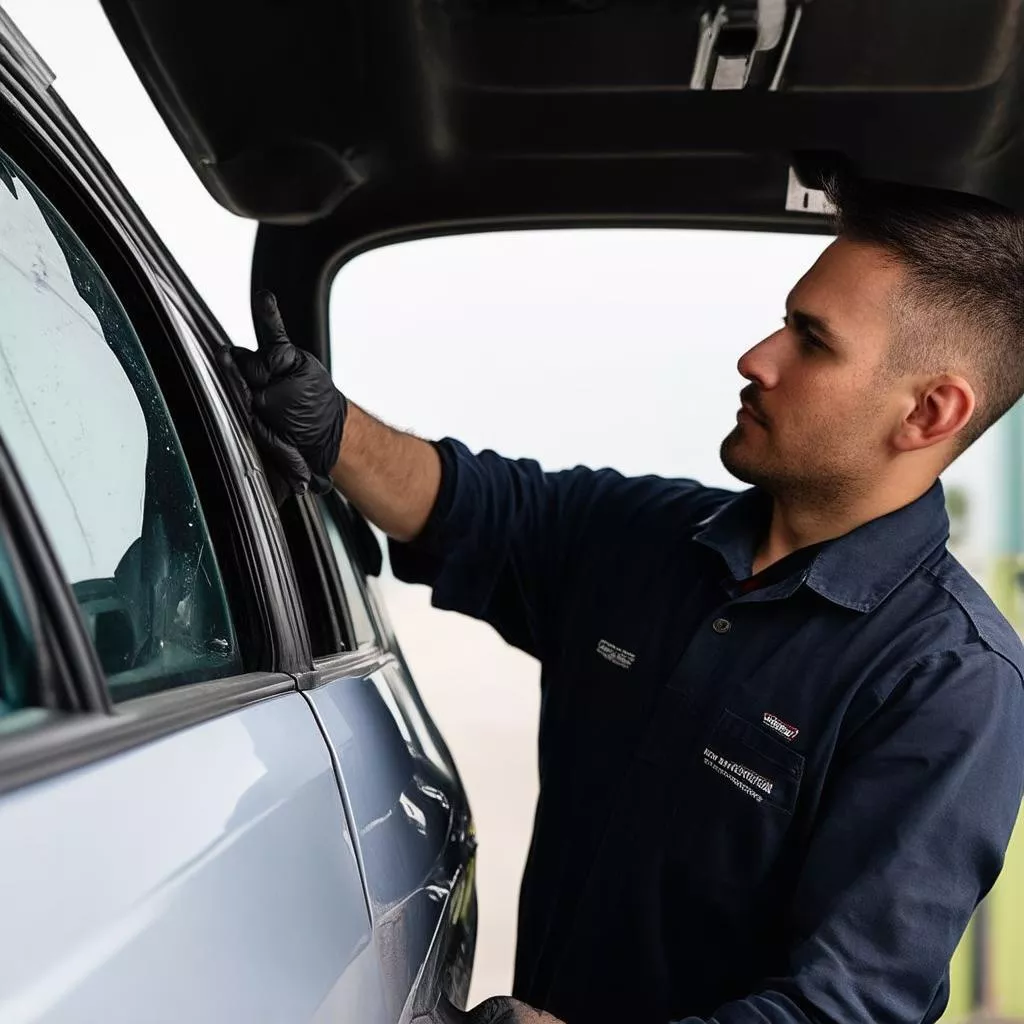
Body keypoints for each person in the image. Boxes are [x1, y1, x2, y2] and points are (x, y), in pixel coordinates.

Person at [221, 177, 1024, 1024]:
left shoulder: (951, 682)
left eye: (811, 342)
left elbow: (847, 1008)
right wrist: (329, 425)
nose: (757, 358)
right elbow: (466, 506)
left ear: (931, 412)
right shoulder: (650, 538)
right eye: (784, 320)